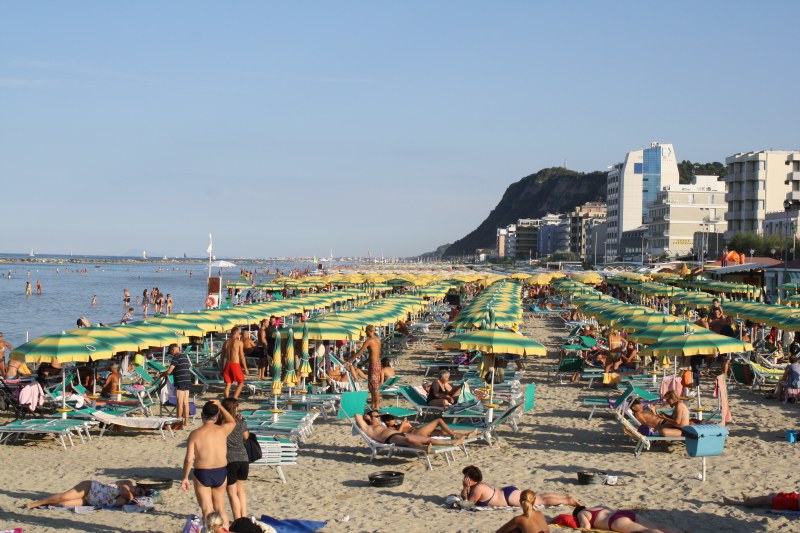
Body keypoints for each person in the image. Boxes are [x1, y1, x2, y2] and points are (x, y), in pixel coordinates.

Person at [181, 401, 236, 529]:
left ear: (202, 415)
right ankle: (225, 531)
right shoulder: (222, 430)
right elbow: (232, 421)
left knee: (207, 509)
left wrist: (185, 477)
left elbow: (189, 459)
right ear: (216, 416)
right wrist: (220, 406)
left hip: (202, 473)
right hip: (220, 472)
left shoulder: (195, 434)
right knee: (221, 508)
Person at [460, 466, 580, 508]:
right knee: (539, 497)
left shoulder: (477, 488)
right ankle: (565, 497)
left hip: (508, 498)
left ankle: (568, 500)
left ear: (470, 479)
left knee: (541, 501)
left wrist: (465, 487)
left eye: (466, 477)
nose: (464, 478)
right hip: (507, 492)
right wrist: (465, 488)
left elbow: (467, 505)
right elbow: (467, 498)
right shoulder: (480, 484)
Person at [354, 411, 461, 452]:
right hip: (390, 439)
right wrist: (366, 416)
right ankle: (424, 448)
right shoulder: (368, 428)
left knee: (427, 439)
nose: (378, 417)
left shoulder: (381, 424)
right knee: (408, 439)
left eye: (379, 416)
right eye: (376, 416)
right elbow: (357, 415)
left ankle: (452, 442)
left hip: (399, 434)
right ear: (369, 418)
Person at [553, 505, 684, 533]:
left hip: (615, 522)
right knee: (654, 525)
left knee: (644, 531)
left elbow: (585, 527)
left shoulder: (583, 513)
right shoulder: (598, 506)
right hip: (624, 513)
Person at [220, 397, 249, 520]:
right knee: (240, 490)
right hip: (244, 458)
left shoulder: (221, 424)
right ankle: (244, 517)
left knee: (232, 493)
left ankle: (238, 520)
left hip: (230, 459)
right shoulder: (241, 422)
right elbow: (246, 437)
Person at [26, 479, 149, 508]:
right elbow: (125, 492)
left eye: (139, 495)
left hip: (89, 501)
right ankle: (37, 503)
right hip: (90, 487)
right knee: (64, 496)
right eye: (139, 491)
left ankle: (46, 503)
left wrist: (131, 500)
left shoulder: (126, 499)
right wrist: (132, 498)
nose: (136, 494)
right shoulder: (127, 483)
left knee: (63, 504)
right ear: (136, 487)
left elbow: (118, 502)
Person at [347, 324, 382, 409]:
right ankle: (374, 405)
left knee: (374, 387)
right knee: (374, 386)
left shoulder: (369, 341)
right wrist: (365, 362)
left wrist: (349, 360)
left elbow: (359, 352)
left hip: (374, 365)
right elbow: (375, 354)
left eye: (366, 331)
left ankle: (376, 406)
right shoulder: (378, 340)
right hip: (378, 363)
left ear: (369, 331)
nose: (365, 333)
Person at [162, 343, 192, 426]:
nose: (171, 354)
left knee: (179, 402)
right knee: (186, 402)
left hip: (180, 381)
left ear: (173, 350)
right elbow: (181, 368)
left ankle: (178, 421)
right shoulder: (184, 356)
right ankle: (186, 422)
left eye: (170, 352)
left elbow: (169, 371)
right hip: (187, 379)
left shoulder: (176, 357)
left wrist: (163, 374)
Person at [221, 327, 247, 399]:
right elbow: (242, 357)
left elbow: (222, 357)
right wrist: (245, 368)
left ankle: (226, 400)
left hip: (227, 364)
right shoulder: (239, 343)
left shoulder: (226, 342)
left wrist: (221, 368)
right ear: (235, 333)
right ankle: (234, 399)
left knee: (228, 384)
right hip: (235, 364)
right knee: (241, 382)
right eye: (239, 333)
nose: (240, 335)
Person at [722, 489, 800, 511]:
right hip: (794, 497)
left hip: (792, 502)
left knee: (766, 499)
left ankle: (737, 503)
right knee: (772, 495)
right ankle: (750, 500)